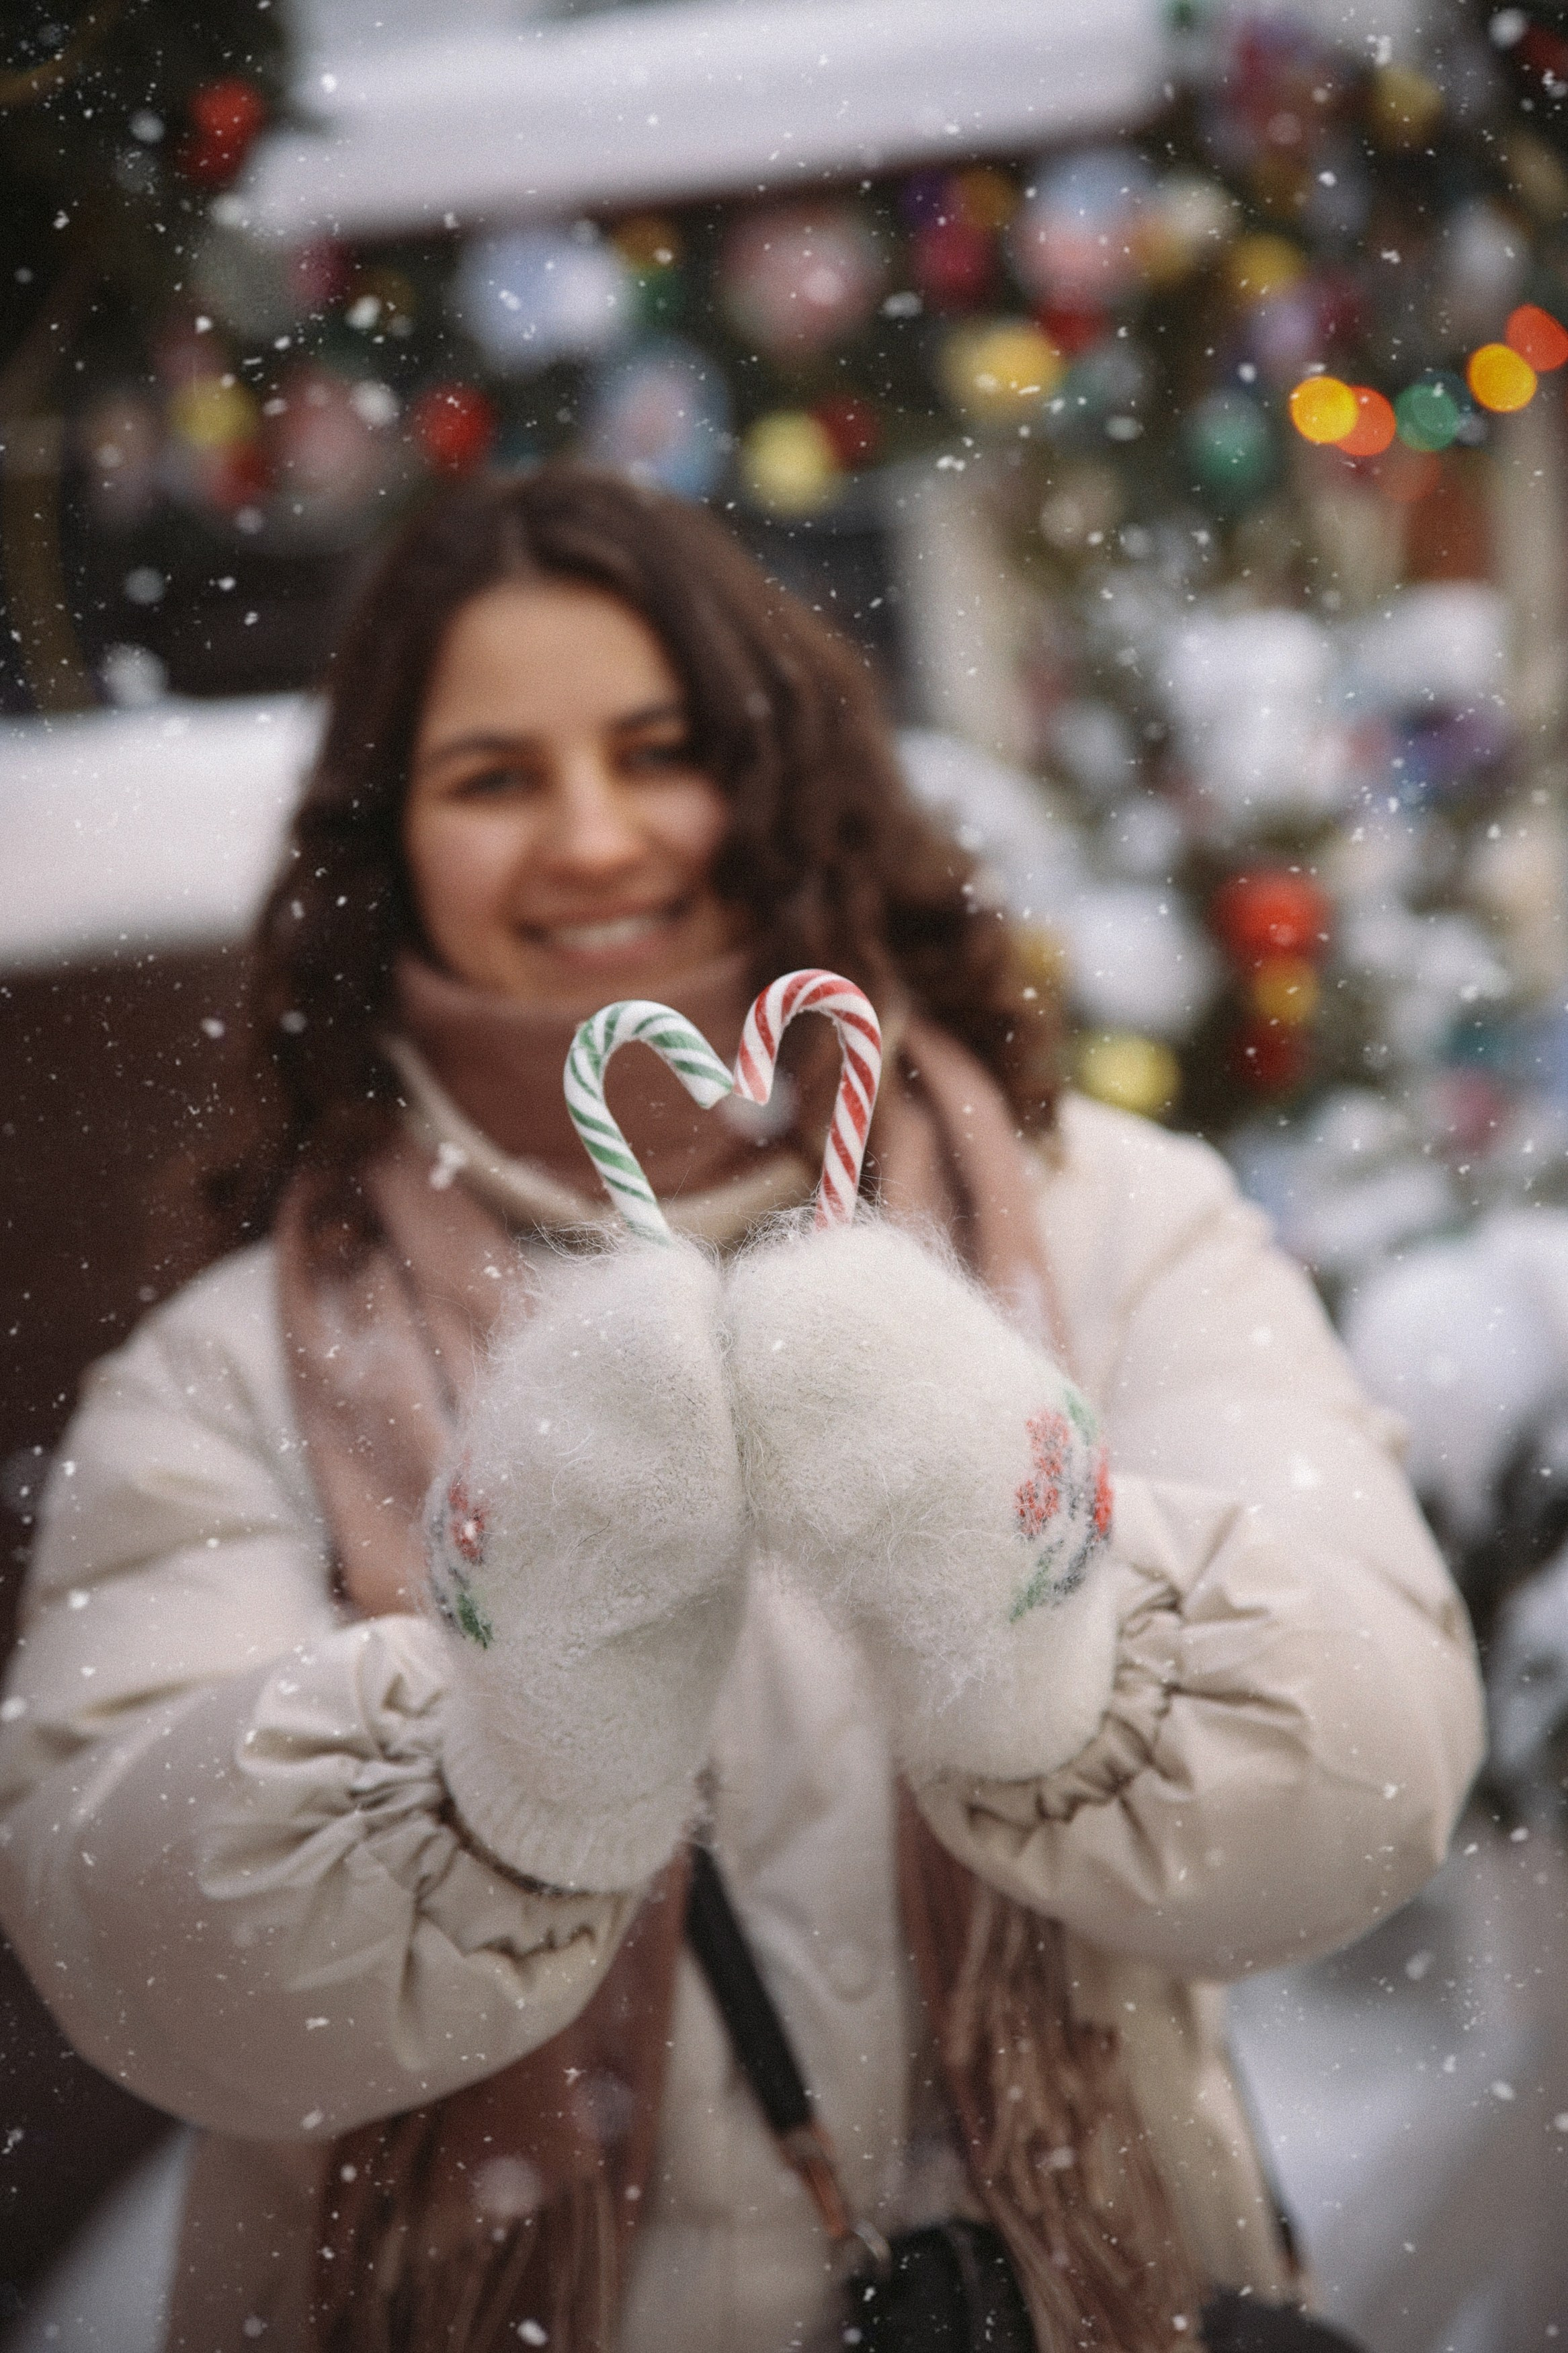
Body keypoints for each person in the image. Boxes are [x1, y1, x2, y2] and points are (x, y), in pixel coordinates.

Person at [0, 466, 1483, 2353]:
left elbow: (1370, 1772)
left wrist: (1036, 1593)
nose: (596, 835)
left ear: (778, 768)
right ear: (390, 842)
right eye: (495, 777)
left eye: (658, 747)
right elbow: (129, 1933)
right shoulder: (229, 1363)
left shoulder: (1110, 1221)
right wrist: (508, 1744)